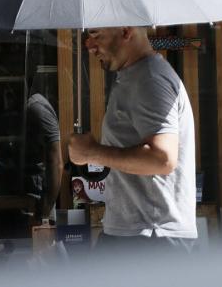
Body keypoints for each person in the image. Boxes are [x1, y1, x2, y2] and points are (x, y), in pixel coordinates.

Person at [68, 26, 197, 253]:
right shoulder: (137, 76)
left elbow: (162, 159)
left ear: (126, 31)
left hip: (150, 240)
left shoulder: (150, 80)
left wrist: (92, 153)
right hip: (137, 235)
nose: (89, 45)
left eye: (96, 35)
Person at [24, 88, 63, 222]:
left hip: (37, 193)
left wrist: (47, 207)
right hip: (34, 190)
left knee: (38, 235)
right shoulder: (37, 107)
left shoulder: (38, 108)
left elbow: (56, 162)